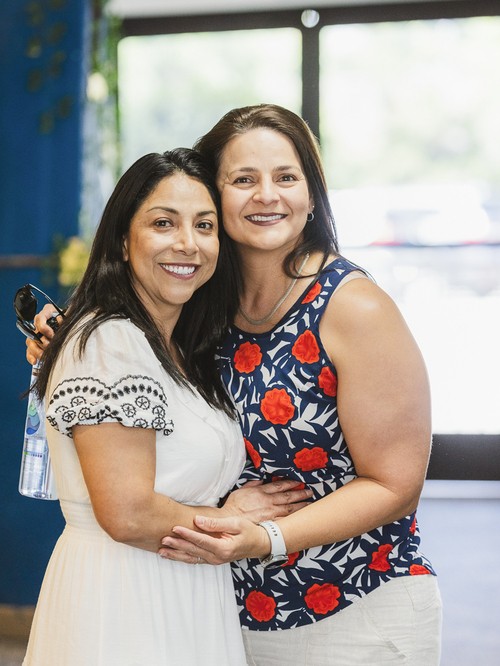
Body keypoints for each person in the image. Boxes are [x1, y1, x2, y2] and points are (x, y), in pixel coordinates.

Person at [30, 104, 442, 665]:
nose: (267, 195)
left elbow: (397, 485)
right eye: (244, 179)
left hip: (352, 606)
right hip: (227, 607)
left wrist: (265, 537)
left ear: (313, 195)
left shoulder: (353, 308)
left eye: (286, 177)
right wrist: (70, 346)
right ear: (217, 197)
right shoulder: (202, 310)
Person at [22, 147, 310, 666]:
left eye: (204, 225)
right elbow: (127, 513)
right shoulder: (112, 340)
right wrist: (228, 518)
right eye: (163, 223)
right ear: (122, 240)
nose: (187, 244)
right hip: (125, 598)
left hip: (180, 589)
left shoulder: (175, 346)